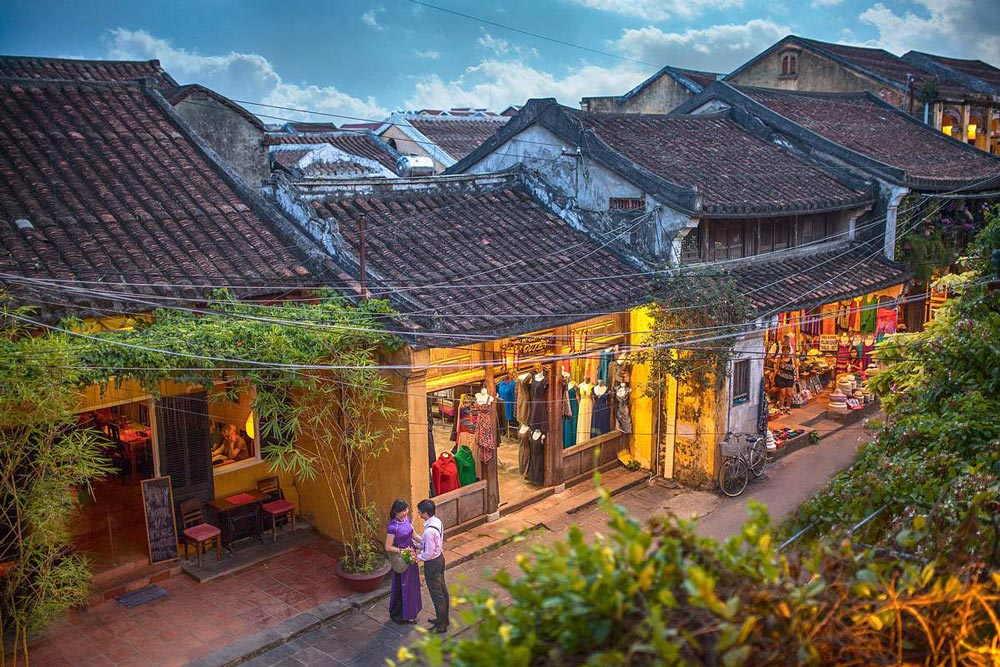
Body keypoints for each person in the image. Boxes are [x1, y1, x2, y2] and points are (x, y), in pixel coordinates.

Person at [385, 499, 421, 624]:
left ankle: (412, 612)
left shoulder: (407, 520)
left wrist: (425, 541)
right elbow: (388, 547)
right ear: (396, 511)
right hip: (403, 557)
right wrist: (403, 551)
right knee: (404, 586)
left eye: (406, 510)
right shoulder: (392, 527)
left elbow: (414, 535)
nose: (406, 512)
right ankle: (403, 614)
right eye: (403, 511)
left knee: (413, 584)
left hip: (411, 554)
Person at [416, 498, 449, 634]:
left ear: (425, 513)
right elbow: (432, 544)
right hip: (440, 559)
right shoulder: (437, 522)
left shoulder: (429, 531)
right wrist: (419, 546)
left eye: (419, 512)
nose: (418, 514)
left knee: (437, 594)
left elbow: (428, 554)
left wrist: (416, 558)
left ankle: (441, 625)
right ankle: (444, 619)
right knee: (442, 590)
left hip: (433, 563)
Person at [774, 344, 797, 412]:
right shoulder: (780, 358)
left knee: (789, 394)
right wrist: (773, 377)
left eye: (787, 352)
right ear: (782, 352)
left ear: (789, 351)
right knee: (782, 393)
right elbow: (777, 368)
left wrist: (797, 376)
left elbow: (796, 367)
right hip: (781, 378)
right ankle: (781, 407)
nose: (786, 353)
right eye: (784, 352)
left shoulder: (792, 358)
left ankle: (788, 407)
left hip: (790, 378)